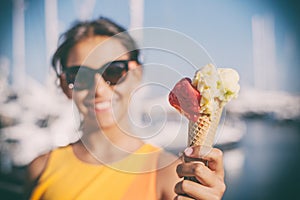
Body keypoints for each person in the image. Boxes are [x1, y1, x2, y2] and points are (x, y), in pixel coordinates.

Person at [26, 17, 226, 200]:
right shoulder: (40, 168)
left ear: (136, 75)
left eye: (113, 71)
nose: (98, 89)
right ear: (65, 85)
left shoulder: (171, 175)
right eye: (80, 75)